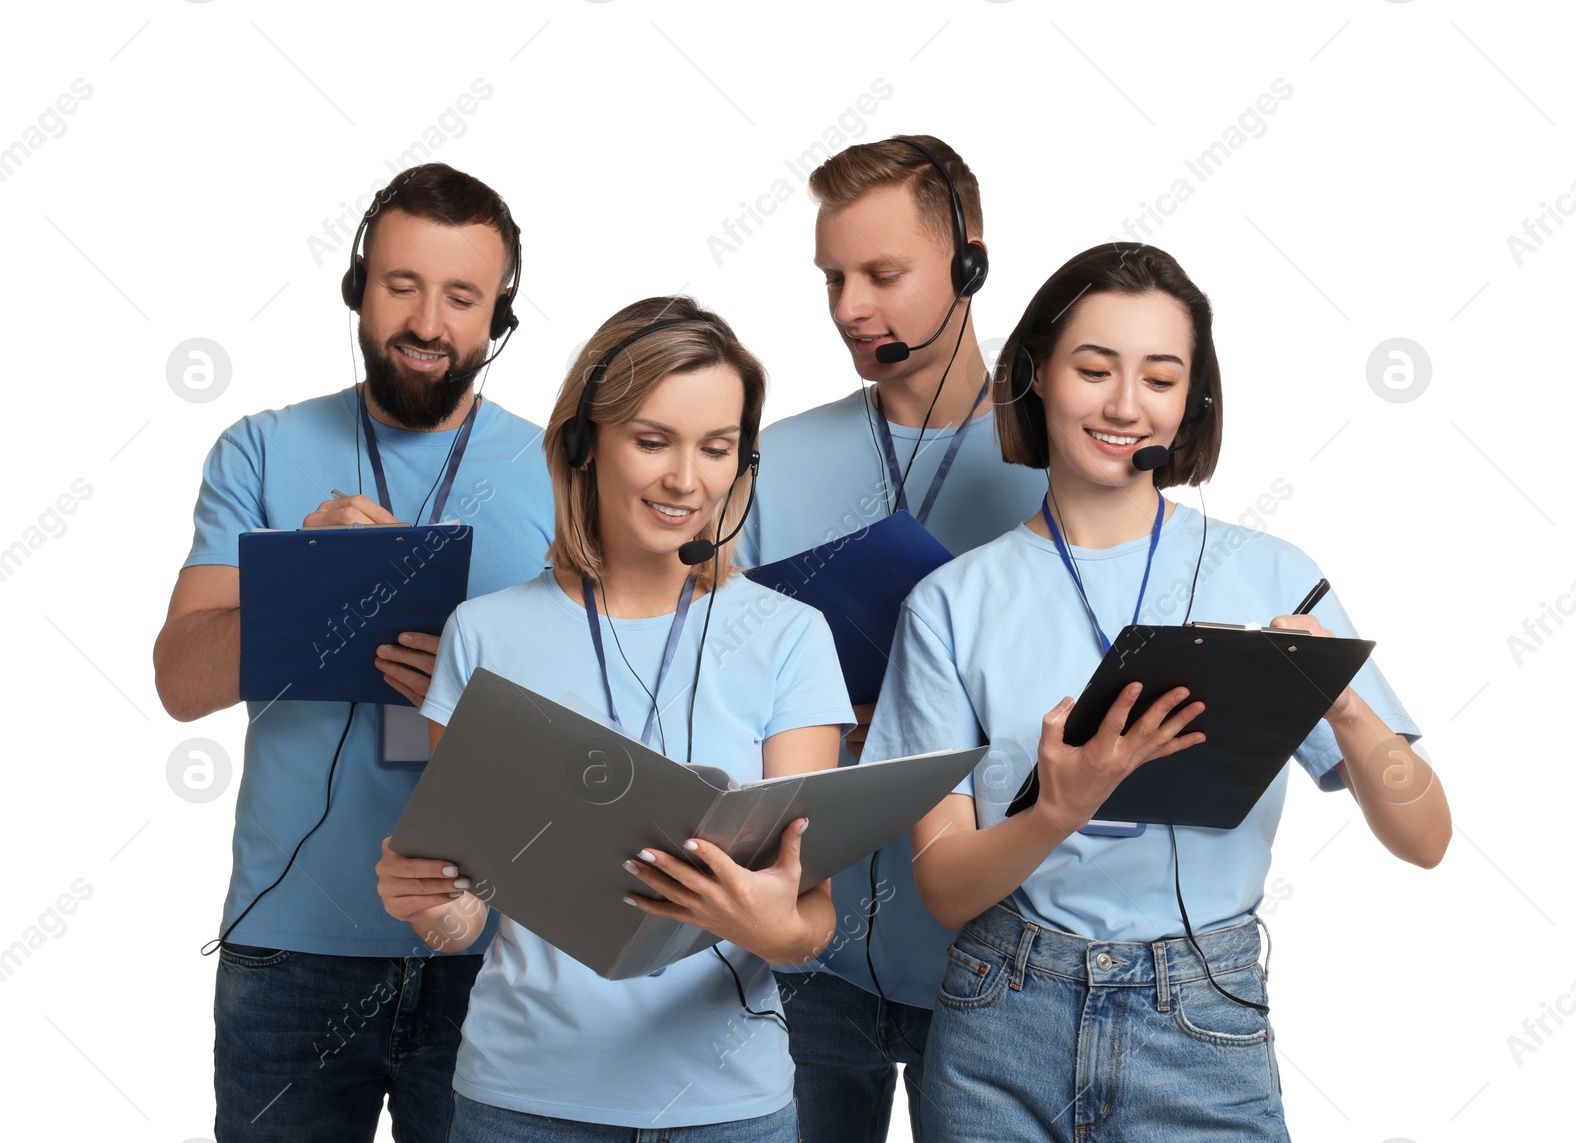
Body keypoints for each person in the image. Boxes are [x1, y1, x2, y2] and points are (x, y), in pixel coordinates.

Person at [863, 242, 1452, 1140]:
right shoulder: (952, 603)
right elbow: (944, 887)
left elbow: (1427, 837)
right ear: (1035, 377)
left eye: (1161, 378)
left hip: (1202, 1022)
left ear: (1192, 404)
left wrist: (1345, 705)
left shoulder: (1271, 576)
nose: (1125, 405)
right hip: (1000, 1022)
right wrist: (1056, 809)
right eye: (1094, 368)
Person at [376, 296, 854, 1141]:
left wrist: (766, 922)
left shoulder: (790, 636)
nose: (686, 480)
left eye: (716, 449)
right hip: (523, 1103)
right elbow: (467, 913)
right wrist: (426, 902)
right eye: (652, 439)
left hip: (730, 1111)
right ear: (581, 444)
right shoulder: (483, 632)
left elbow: (810, 918)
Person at [152, 163, 554, 1141]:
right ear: (356, 287)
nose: (427, 322)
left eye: (461, 297)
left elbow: (619, 717)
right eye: (400, 286)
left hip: (493, 949)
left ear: (497, 317)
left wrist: (471, 702)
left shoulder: (564, 469)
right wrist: (310, 576)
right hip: (289, 952)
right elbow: (179, 680)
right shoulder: (257, 448)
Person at [736, 134, 1045, 1143]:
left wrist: (921, 721)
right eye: (832, 278)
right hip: (808, 960)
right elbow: (711, 684)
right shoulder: (771, 460)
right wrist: (818, 725)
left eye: (881, 275)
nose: (849, 310)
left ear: (969, 262)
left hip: (1000, 963)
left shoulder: (1066, 465)